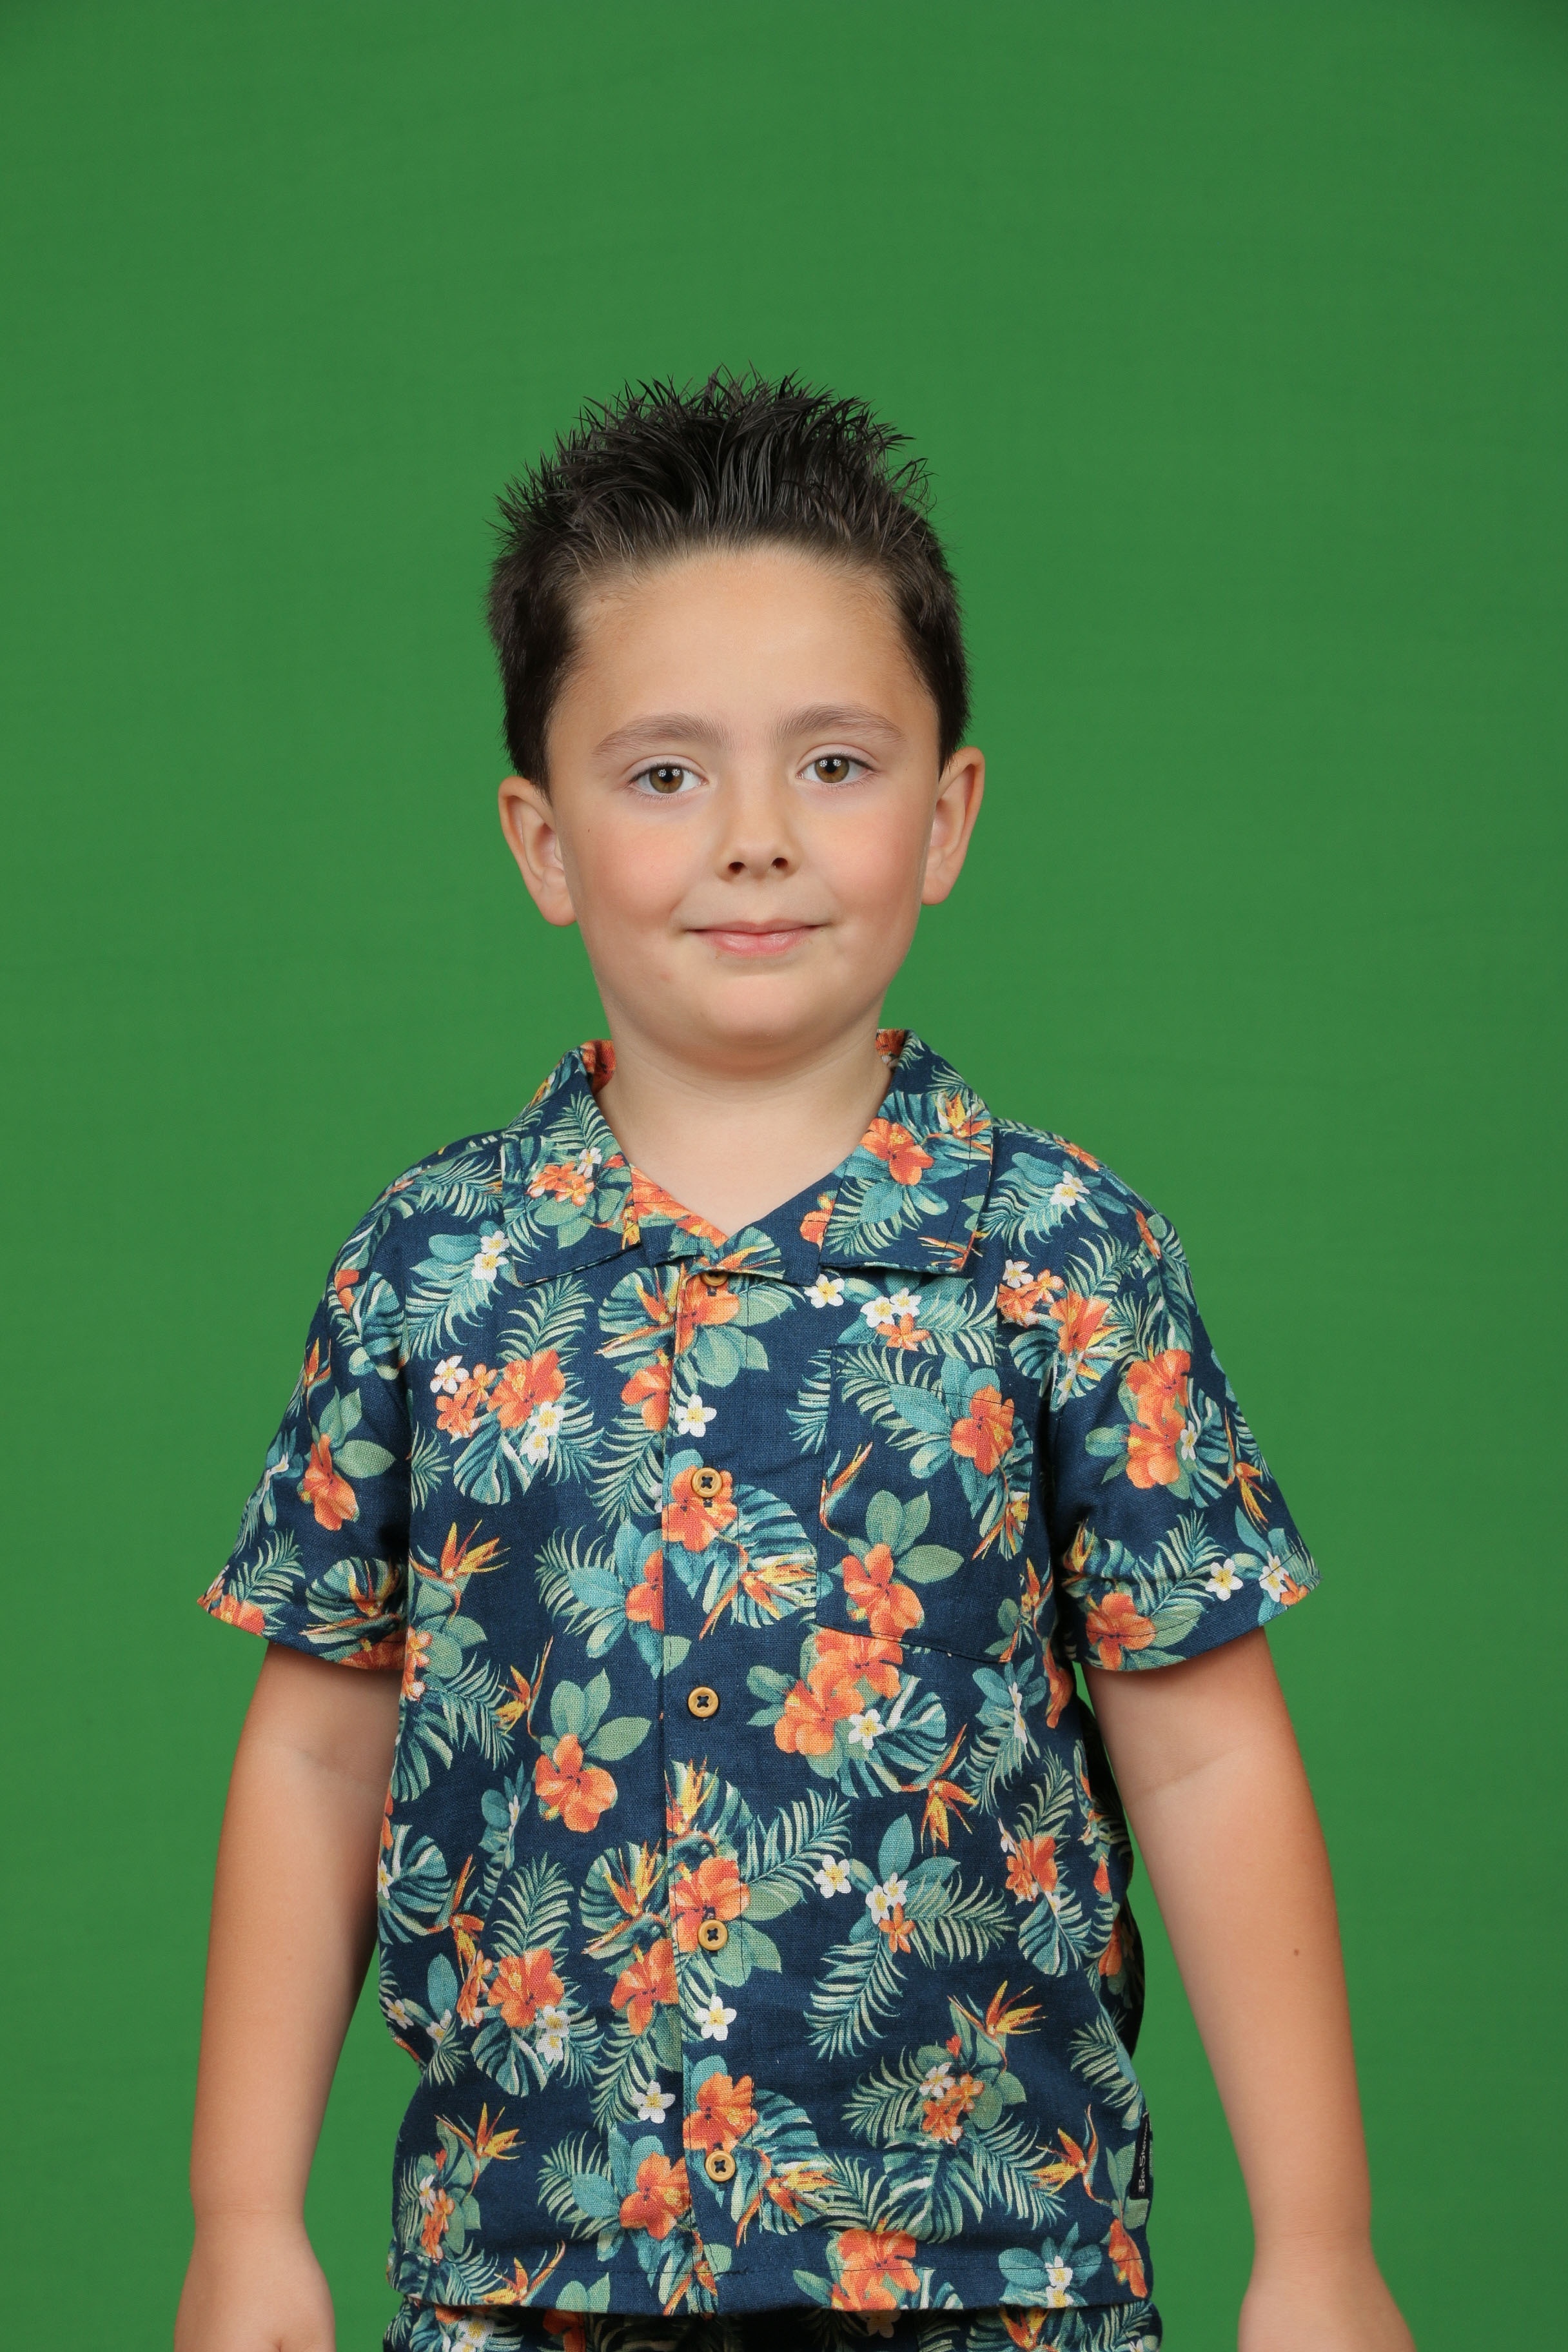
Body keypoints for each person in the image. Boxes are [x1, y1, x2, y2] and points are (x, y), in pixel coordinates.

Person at [176, 375, 1413, 2352]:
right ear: (542, 839)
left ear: (948, 815)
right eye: (665, 774)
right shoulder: (433, 1268)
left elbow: (1203, 1747)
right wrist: (243, 2217)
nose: (754, 841)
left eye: (833, 763)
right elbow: (322, 1746)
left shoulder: (1061, 1257)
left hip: (992, 2278)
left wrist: (1320, 2247)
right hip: (526, 2282)